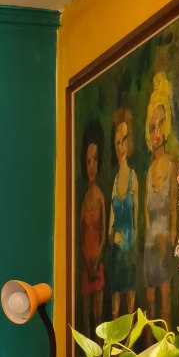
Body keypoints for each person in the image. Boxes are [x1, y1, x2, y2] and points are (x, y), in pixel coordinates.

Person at [142, 72, 178, 323]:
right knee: (149, 301)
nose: (157, 132)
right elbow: (146, 210)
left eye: (161, 124)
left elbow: (174, 208)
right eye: (152, 126)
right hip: (150, 245)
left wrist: (171, 238)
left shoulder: (172, 166)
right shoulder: (148, 172)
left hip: (165, 242)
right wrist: (148, 235)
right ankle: (147, 343)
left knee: (165, 297)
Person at [107, 106, 138, 318]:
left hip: (129, 252)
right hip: (116, 253)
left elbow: (136, 220)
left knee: (130, 307)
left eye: (124, 140)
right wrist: (112, 235)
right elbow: (111, 222)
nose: (121, 147)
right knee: (115, 309)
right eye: (118, 142)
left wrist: (131, 244)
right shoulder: (115, 181)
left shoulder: (133, 178)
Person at [79, 120, 106, 339]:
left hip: (98, 262)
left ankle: (98, 350)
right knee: (86, 312)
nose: (91, 166)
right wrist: (87, 263)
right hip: (86, 263)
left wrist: (96, 262)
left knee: (98, 315)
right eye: (88, 161)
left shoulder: (100, 198)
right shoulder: (84, 201)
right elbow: (80, 237)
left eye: (95, 159)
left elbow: (103, 233)